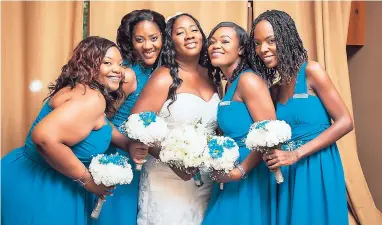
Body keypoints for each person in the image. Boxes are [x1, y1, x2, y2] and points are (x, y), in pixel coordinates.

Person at [1, 36, 129, 225]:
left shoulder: (82, 90)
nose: (118, 70)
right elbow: (44, 138)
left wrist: (127, 143)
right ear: (89, 65)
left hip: (25, 173)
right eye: (107, 63)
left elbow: (95, 124)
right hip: (43, 186)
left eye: (120, 64)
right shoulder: (92, 99)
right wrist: (89, 182)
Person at [249, 10, 353, 225]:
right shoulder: (274, 89)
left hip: (318, 165)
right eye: (257, 43)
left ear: (286, 39)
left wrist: (296, 154)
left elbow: (345, 121)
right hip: (289, 170)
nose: (263, 49)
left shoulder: (311, 71)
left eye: (271, 41)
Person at [130, 13, 219, 225]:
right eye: (180, 32)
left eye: (194, 30)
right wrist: (173, 160)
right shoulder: (164, 77)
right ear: (171, 42)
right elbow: (136, 126)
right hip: (166, 179)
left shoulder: (213, 75)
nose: (189, 36)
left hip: (206, 180)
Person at [202, 22, 276, 225]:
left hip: (249, 174)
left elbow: (270, 135)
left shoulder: (248, 80)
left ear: (241, 49)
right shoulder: (228, 84)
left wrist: (240, 171)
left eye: (225, 41)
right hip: (230, 172)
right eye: (212, 42)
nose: (216, 46)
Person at [97, 9, 166, 225]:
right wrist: (127, 144)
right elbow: (100, 119)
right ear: (130, 41)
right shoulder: (127, 75)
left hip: (144, 160)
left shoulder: (163, 71)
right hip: (117, 157)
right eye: (139, 40)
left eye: (154, 38)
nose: (148, 46)